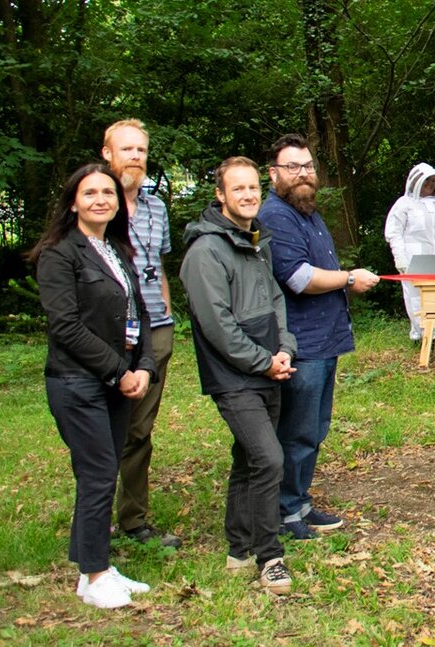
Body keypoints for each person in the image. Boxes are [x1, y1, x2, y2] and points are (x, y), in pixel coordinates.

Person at [31, 164, 156, 608]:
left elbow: (137, 315)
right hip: (77, 381)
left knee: (102, 471)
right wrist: (117, 371)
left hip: (119, 380)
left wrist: (143, 366)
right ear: (72, 203)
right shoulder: (59, 253)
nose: (101, 198)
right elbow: (65, 326)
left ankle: (93, 568)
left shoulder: (115, 249)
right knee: (99, 473)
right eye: (90, 193)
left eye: (108, 191)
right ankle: (95, 573)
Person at [180, 157, 297, 594]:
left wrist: (284, 349)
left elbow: (275, 301)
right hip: (234, 376)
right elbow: (218, 326)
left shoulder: (255, 242)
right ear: (220, 195)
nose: (248, 195)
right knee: (269, 458)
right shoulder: (205, 251)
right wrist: (262, 360)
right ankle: (270, 557)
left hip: (270, 368)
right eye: (238, 189)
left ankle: (239, 547)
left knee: (248, 459)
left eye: (252, 188)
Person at [258, 134, 380, 539]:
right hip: (302, 344)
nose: (303, 174)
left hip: (324, 340)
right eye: (292, 167)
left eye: (307, 166)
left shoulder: (307, 211)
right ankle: (284, 511)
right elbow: (298, 278)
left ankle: (299, 501)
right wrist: (349, 277)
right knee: (297, 429)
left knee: (315, 427)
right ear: (274, 173)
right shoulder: (276, 215)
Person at [101, 119, 181, 549]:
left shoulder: (156, 209)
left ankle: (132, 520)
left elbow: (158, 266)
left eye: (141, 150)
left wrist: (165, 312)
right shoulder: (95, 204)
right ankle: (94, 522)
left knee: (139, 430)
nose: (135, 157)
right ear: (107, 153)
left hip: (156, 331)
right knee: (102, 429)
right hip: (108, 335)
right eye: (127, 149)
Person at [384, 163, 435, 342]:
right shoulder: (404, 204)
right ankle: (420, 336)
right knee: (415, 298)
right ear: (416, 181)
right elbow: (393, 233)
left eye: (432, 181)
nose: (430, 184)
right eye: (426, 180)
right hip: (414, 260)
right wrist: (400, 258)